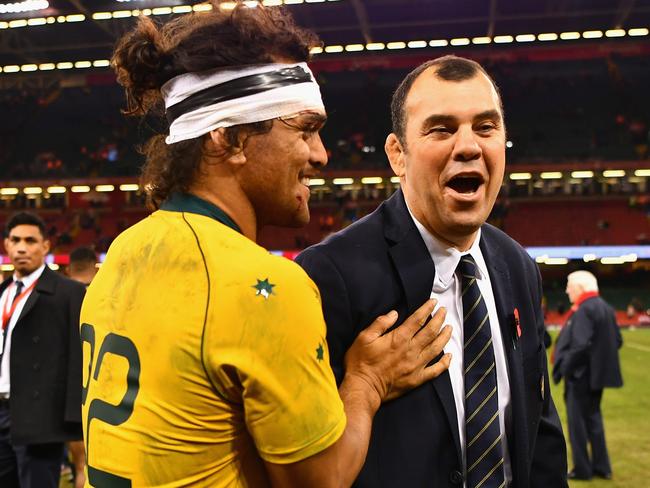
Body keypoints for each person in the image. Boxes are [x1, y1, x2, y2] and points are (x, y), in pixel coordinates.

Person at [80, 4, 452, 487]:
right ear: (230, 138)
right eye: (305, 129)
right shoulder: (265, 287)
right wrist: (366, 383)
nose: (320, 155)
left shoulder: (123, 252)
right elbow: (321, 481)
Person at [297, 55, 568, 487]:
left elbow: (540, 433)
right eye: (441, 129)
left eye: (485, 127)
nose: (468, 146)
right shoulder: (330, 276)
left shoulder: (518, 266)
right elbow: (307, 467)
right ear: (397, 155)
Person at [0, 212, 86, 488]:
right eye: (15, 240)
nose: (22, 247)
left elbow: (78, 356)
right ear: (6, 245)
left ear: (46, 246)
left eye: (30, 240)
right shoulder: (2, 292)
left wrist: (74, 419)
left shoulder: (68, 292)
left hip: (40, 418)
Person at [553, 270, 623, 480]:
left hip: (579, 377)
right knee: (594, 421)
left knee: (578, 425)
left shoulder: (584, 310)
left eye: (569, 286)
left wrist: (566, 367)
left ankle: (582, 470)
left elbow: (580, 346)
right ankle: (602, 467)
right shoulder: (606, 308)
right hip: (596, 378)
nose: (567, 291)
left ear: (581, 288)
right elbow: (617, 341)